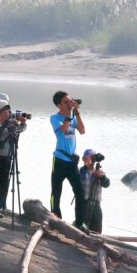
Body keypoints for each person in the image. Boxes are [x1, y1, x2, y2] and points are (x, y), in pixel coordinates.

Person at [50, 90, 86, 228]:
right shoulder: (55, 117)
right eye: (66, 102)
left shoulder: (73, 116)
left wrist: (76, 112)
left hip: (72, 162)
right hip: (59, 159)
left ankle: (79, 222)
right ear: (59, 105)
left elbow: (82, 131)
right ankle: (55, 219)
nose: (70, 103)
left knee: (80, 192)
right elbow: (64, 130)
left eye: (70, 100)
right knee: (56, 192)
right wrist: (69, 114)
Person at [0, 93, 27, 211]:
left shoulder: (11, 117)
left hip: (7, 154)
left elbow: (19, 131)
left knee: (4, 180)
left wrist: (22, 123)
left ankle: (2, 204)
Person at [79, 149, 110, 234]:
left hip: (96, 205)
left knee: (97, 231)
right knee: (82, 230)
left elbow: (107, 184)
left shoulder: (99, 172)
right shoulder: (81, 171)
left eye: (88, 158)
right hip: (84, 204)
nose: (86, 160)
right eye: (84, 159)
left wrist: (101, 177)